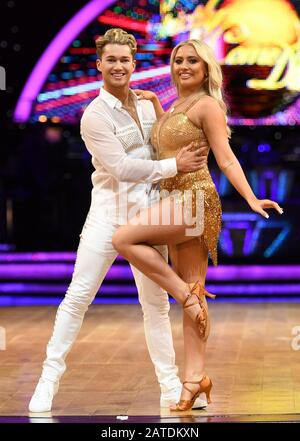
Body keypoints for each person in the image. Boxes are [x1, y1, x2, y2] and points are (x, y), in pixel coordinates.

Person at [28, 29, 209, 413]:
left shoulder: (145, 104)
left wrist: (160, 111)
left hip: (147, 220)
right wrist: (173, 165)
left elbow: (160, 142)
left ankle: (169, 388)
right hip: (107, 218)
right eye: (111, 60)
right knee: (77, 299)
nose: (119, 66)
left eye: (125, 60)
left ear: (133, 64)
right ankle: (47, 382)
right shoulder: (93, 116)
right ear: (99, 65)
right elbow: (123, 168)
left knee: (155, 307)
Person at [112, 38, 284, 411]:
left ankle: (185, 295)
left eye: (192, 60)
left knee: (124, 238)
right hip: (175, 199)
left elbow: (227, 159)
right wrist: (158, 107)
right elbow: (167, 144)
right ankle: (195, 379)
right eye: (178, 60)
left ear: (207, 69)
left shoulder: (207, 105)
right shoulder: (176, 105)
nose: (184, 65)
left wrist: (251, 197)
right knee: (195, 291)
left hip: (194, 200)